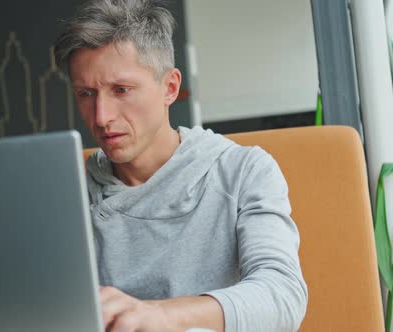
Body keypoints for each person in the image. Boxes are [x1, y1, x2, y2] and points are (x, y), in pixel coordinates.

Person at [54, 0, 308, 331]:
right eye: (86, 94)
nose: (102, 117)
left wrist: (159, 316)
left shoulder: (243, 171)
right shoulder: (68, 192)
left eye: (121, 90)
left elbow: (282, 295)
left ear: (169, 88)